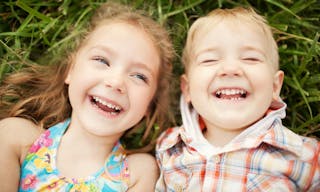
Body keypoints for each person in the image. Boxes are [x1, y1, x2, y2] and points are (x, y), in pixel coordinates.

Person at [0, 1, 174, 191]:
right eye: (102, 60)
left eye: (139, 76)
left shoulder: (138, 172)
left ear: (149, 105)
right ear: (70, 70)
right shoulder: (17, 138)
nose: (116, 82)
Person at [155, 7, 319, 191]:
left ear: (275, 86)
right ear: (187, 89)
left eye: (250, 58)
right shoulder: (167, 148)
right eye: (209, 60)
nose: (230, 68)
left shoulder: (305, 155)